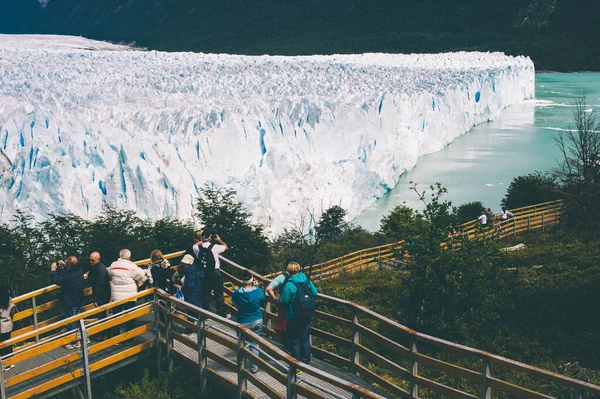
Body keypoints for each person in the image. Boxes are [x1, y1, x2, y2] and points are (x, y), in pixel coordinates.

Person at [280, 262, 318, 365]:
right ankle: (306, 361)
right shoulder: (307, 281)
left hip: (293, 316)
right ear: (299, 270)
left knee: (295, 340)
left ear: (288, 272)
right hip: (307, 315)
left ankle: (297, 363)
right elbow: (315, 293)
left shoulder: (289, 284)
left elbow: (284, 300)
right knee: (305, 339)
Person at [232, 270, 266, 374]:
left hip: (244, 322)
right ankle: (254, 367)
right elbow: (263, 300)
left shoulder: (238, 293)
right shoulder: (258, 291)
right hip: (257, 320)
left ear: (242, 280)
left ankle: (241, 365)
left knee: (242, 343)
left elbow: (234, 301)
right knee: (254, 344)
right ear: (252, 280)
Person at [108, 249, 147, 336]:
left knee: (116, 316)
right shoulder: (131, 266)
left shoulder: (113, 265)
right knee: (130, 316)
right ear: (129, 257)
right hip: (129, 296)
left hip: (116, 296)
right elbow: (140, 275)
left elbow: (110, 275)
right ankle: (129, 337)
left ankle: (115, 336)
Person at [51, 256, 84, 348]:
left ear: (70, 264)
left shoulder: (70, 276)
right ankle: (81, 338)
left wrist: (53, 270)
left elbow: (57, 280)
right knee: (76, 319)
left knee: (71, 321)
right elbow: (67, 273)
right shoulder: (78, 270)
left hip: (71, 301)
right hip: (77, 299)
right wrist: (64, 266)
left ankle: (75, 341)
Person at [198, 231, 229, 318]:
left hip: (203, 272)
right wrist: (219, 240)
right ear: (209, 238)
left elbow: (194, 246)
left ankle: (206, 313)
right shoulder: (215, 247)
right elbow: (226, 247)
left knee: (205, 293)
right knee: (218, 293)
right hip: (215, 272)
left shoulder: (198, 247)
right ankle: (221, 314)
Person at [266, 263, 293, 351]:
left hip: (284, 306)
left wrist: (275, 299)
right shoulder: (301, 277)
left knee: (284, 328)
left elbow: (269, 288)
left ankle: (287, 349)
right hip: (297, 308)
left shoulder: (282, 277)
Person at [0, 285, 16, 371]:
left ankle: (5, 365)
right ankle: (11, 362)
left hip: (1, 328)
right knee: (8, 345)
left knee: (2, 346)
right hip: (9, 325)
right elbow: (12, 311)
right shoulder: (9, 303)